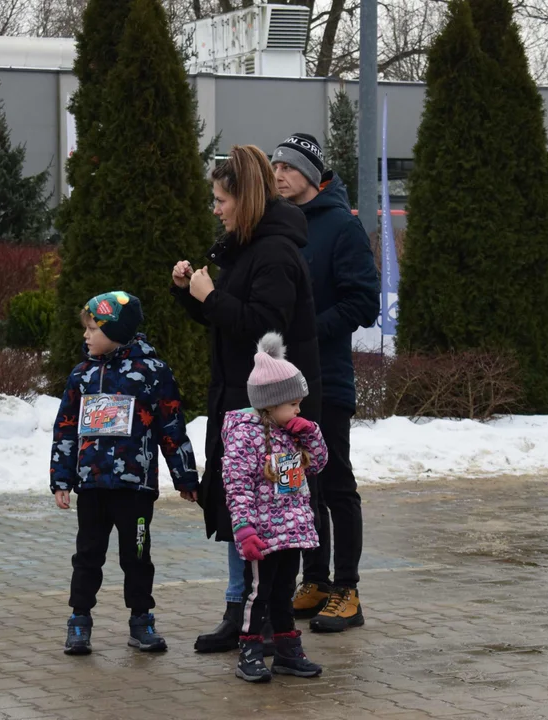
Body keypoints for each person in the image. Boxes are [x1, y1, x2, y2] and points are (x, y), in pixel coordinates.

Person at [171, 145, 322, 654]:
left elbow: (261, 328)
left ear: (245, 199)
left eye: (220, 199)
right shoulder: (242, 248)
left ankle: (268, 622)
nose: (215, 208)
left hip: (275, 415)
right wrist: (190, 295)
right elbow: (229, 324)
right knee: (242, 510)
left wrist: (210, 297)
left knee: (276, 514)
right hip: (239, 405)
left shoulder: (274, 253)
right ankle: (240, 612)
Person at [51, 292, 199, 655]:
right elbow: (66, 428)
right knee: (87, 554)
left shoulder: (151, 373)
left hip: (134, 488)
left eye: (93, 328)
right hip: (92, 486)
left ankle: (141, 619)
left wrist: (185, 477)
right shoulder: (82, 375)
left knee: (136, 555)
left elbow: (171, 426)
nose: (86, 336)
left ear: (116, 330)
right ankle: (79, 620)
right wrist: (61, 479)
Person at [272, 133, 379, 632]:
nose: (279, 174)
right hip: (283, 384)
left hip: (328, 380)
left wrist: (309, 331)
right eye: (275, 166)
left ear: (312, 176)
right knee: (300, 488)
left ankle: (347, 589)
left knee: (335, 484)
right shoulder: (279, 225)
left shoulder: (342, 227)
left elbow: (363, 303)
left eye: (289, 167)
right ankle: (313, 580)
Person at [222, 332, 328, 683]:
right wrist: (244, 528)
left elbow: (317, 465)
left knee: (284, 592)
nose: (299, 410)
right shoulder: (244, 434)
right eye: (293, 404)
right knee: (259, 594)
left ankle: (287, 651)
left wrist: (309, 432)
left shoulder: (293, 431)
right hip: (263, 536)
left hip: (291, 531)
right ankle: (250, 651)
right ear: (270, 402)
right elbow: (237, 486)